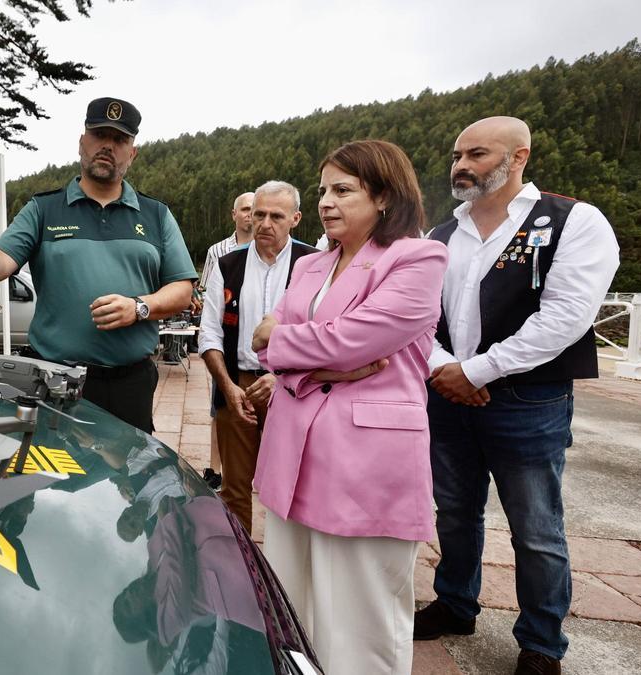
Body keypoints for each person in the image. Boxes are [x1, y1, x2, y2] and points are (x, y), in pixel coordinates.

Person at [418, 116, 619, 675]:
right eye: (457, 154)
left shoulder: (574, 221)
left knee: (536, 526)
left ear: (519, 156)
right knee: (455, 513)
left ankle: (541, 641)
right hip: (448, 394)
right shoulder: (440, 235)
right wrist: (444, 369)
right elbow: (416, 318)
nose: (461, 165)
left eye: (477, 154)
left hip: (528, 400)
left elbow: (566, 317)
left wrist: (478, 371)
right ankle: (455, 603)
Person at [250, 140, 447, 675]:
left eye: (343, 190)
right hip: (294, 452)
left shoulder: (418, 257)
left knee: (363, 618)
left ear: (383, 195)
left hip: (365, 461)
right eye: (321, 191)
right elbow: (263, 343)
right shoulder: (310, 266)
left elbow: (359, 338)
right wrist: (317, 357)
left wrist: (297, 348)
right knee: (293, 603)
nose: (326, 202)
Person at [0, 97, 196, 433]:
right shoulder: (44, 209)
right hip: (53, 379)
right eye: (99, 135)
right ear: (82, 141)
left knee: (127, 480)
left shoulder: (156, 215)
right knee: (53, 478)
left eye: (120, 139)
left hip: (129, 384)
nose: (108, 146)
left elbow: (182, 289)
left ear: (132, 153)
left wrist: (139, 307)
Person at [197, 181, 316, 532]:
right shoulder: (227, 264)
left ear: (295, 218)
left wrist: (282, 377)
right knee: (234, 488)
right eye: (258, 213)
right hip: (238, 386)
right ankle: (241, 569)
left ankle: (286, 571)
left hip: (296, 388)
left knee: (294, 487)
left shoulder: (314, 263)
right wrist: (228, 387)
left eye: (276, 216)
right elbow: (209, 332)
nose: (264, 223)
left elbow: (324, 331)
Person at [196, 192, 256, 489]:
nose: (250, 215)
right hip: (226, 337)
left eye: (254, 210)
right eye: (245, 209)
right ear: (234, 214)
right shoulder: (218, 250)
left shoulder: (271, 249)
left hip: (258, 343)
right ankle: (214, 468)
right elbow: (205, 291)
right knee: (219, 407)